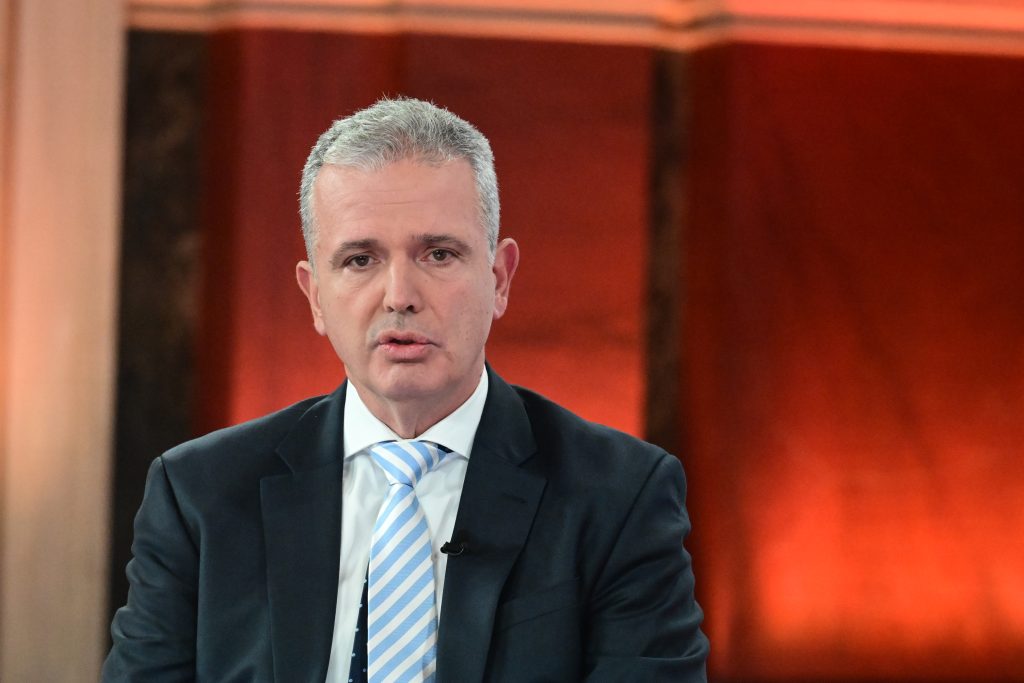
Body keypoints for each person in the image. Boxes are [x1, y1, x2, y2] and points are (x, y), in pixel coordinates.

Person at [103, 97, 708, 682]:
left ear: (499, 279)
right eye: (360, 260)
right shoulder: (199, 496)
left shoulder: (620, 497)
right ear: (315, 296)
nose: (399, 296)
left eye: (438, 254)